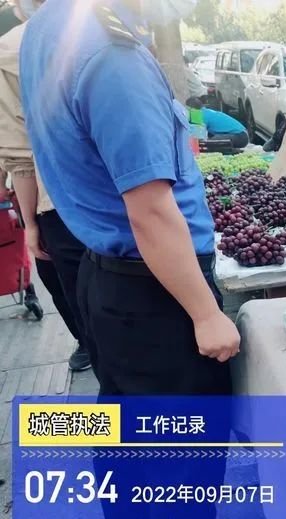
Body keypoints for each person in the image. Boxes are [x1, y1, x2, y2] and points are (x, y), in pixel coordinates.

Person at [20, 0, 239, 398]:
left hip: (111, 278)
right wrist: (206, 314)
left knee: (131, 426)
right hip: (156, 295)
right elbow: (150, 211)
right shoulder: (112, 56)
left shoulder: (47, 25)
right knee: (181, 434)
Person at [0, 2, 90, 369]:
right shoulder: (106, 25)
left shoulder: (10, 50)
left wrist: (31, 224)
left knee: (76, 294)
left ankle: (90, 347)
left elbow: (20, 156)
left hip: (58, 203)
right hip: (125, 196)